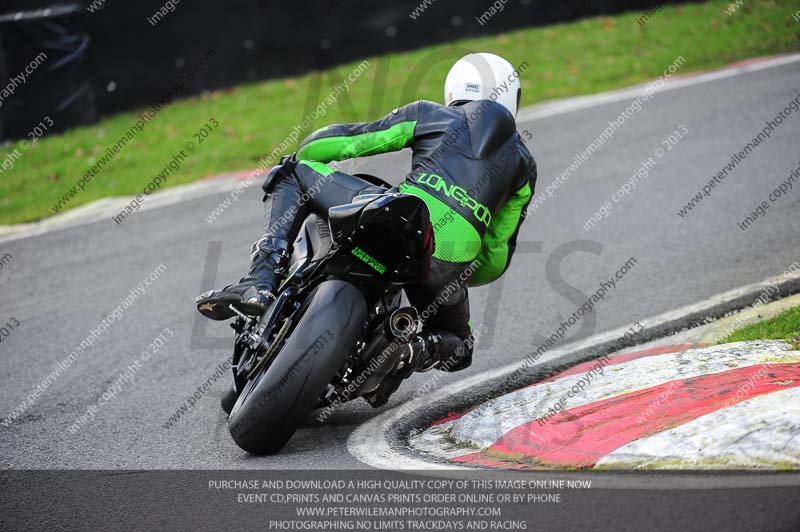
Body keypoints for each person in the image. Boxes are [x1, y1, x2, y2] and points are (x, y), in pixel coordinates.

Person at [196, 52, 537, 383]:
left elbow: (347, 141)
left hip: (398, 219)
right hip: (446, 267)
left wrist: (305, 150)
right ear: (512, 99)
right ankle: (410, 351)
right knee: (460, 348)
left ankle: (261, 280)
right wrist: (458, 268)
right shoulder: (524, 166)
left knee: (291, 173)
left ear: (454, 91)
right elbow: (495, 259)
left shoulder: (431, 115)